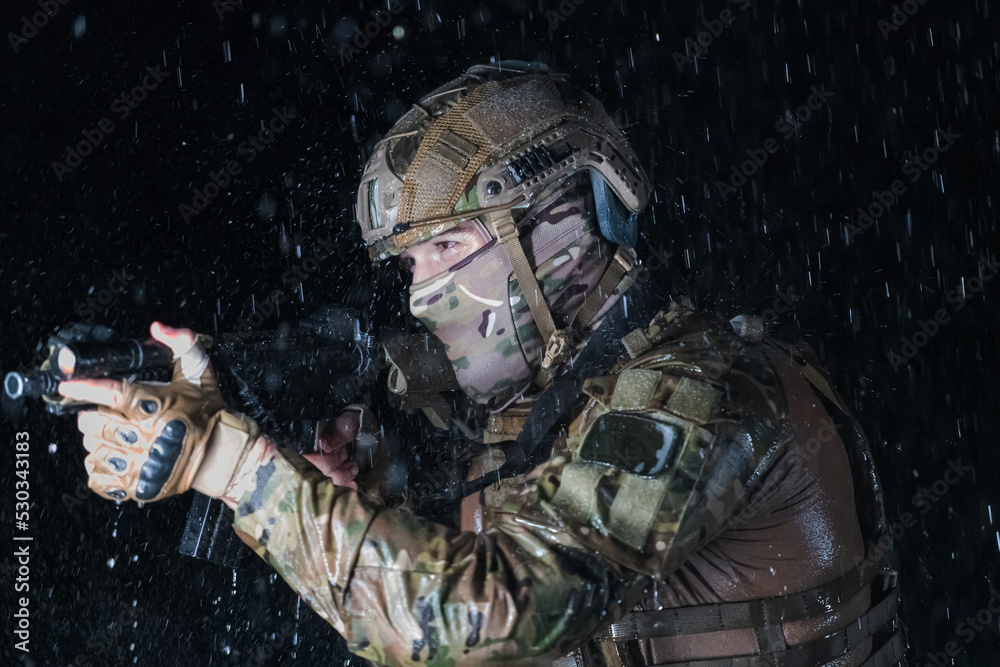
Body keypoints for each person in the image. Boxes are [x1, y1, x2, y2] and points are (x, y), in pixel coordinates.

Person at [61, 62, 907, 666]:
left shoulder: (703, 390)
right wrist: (361, 484)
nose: (423, 295)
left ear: (559, 225)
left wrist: (234, 468)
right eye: (411, 266)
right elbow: (460, 543)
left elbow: (485, 623)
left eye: (449, 250)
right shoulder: (560, 395)